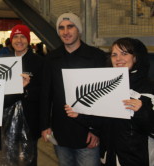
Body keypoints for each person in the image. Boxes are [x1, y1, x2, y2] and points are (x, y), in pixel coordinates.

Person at [65, 37, 154, 166]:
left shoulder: (148, 88)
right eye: (114, 55)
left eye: (124, 53)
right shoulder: (107, 85)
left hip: (138, 158)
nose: (118, 59)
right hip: (110, 156)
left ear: (135, 57)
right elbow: (101, 122)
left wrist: (142, 110)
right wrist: (79, 115)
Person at [40, 12, 107, 166]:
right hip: (61, 133)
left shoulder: (96, 57)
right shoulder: (51, 59)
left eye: (70, 27)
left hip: (87, 133)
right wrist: (44, 125)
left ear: (79, 30)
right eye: (61, 28)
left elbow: (103, 99)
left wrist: (96, 130)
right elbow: (46, 95)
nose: (66, 32)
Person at [2, 24, 43, 166]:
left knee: (29, 158)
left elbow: (44, 91)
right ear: (11, 40)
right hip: (7, 118)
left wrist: (26, 91)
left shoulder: (39, 61)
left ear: (29, 40)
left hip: (30, 119)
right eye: (16, 36)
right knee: (9, 157)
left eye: (23, 36)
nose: (19, 40)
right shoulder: (4, 62)